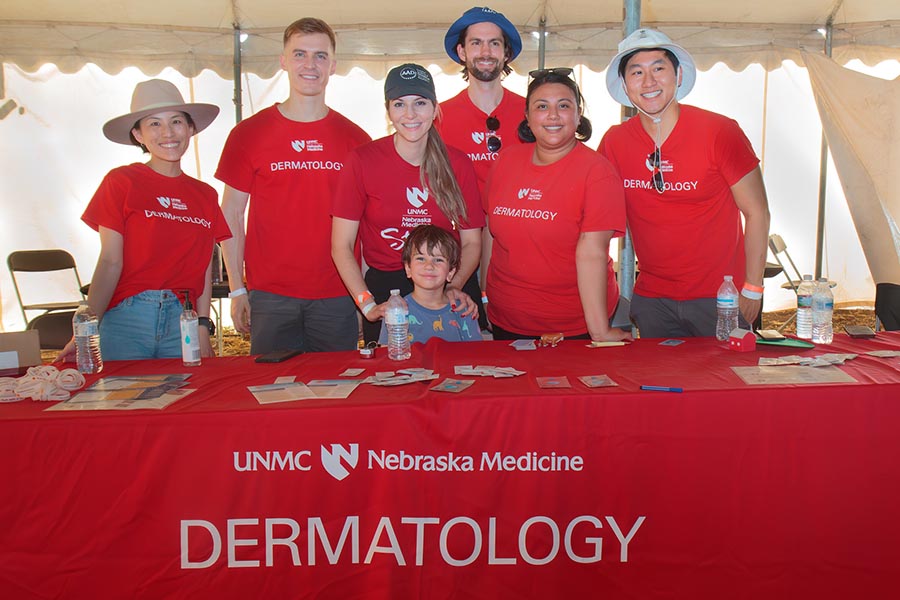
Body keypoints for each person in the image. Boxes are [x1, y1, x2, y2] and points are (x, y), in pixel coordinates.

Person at [598, 28, 771, 338]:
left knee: (724, 382)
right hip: (652, 299)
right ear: (624, 85)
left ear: (678, 76)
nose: (649, 82)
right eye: (636, 72)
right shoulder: (615, 142)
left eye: (659, 68)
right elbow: (597, 221)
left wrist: (753, 289)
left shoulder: (719, 131)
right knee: (658, 383)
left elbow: (758, 212)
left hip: (721, 298)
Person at [216, 17, 371, 354]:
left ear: (333, 65)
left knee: (335, 394)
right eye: (300, 54)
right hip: (271, 295)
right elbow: (230, 214)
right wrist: (237, 289)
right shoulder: (248, 135)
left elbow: (366, 224)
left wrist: (363, 296)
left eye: (320, 56)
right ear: (284, 61)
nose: (310, 65)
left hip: (337, 293)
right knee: (273, 397)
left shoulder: (355, 139)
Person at [58, 79, 230, 361]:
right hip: (128, 315)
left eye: (176, 122)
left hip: (182, 319)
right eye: (154, 124)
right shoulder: (121, 182)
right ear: (137, 134)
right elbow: (110, 261)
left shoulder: (205, 195)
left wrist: (201, 327)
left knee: (184, 399)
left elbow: (202, 270)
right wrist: (87, 330)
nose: (168, 133)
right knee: (122, 400)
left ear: (190, 128)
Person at [332, 63, 484, 345]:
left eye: (420, 103)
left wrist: (453, 285)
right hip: (388, 287)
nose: (410, 114)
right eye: (399, 104)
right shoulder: (362, 160)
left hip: (446, 281)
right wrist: (366, 305)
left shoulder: (458, 163)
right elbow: (341, 244)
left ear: (435, 108)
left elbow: (472, 242)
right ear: (388, 110)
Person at [483, 68, 631, 342]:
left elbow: (592, 254)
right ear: (527, 116)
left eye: (564, 106)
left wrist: (599, 331)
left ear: (578, 115)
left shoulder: (597, 172)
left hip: (573, 327)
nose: (553, 115)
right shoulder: (506, 161)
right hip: (506, 319)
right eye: (542, 106)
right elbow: (491, 232)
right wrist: (484, 298)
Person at [439, 6, 526, 193]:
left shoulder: (532, 113)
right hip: (463, 222)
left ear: (506, 53)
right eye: (476, 43)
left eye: (494, 43)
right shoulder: (438, 117)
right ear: (462, 52)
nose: (485, 52)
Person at [378, 225, 483, 345]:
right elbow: (387, 354)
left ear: (450, 272)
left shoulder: (463, 309)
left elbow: (477, 353)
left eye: (438, 260)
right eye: (421, 259)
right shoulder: (397, 310)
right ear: (408, 268)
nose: (429, 266)